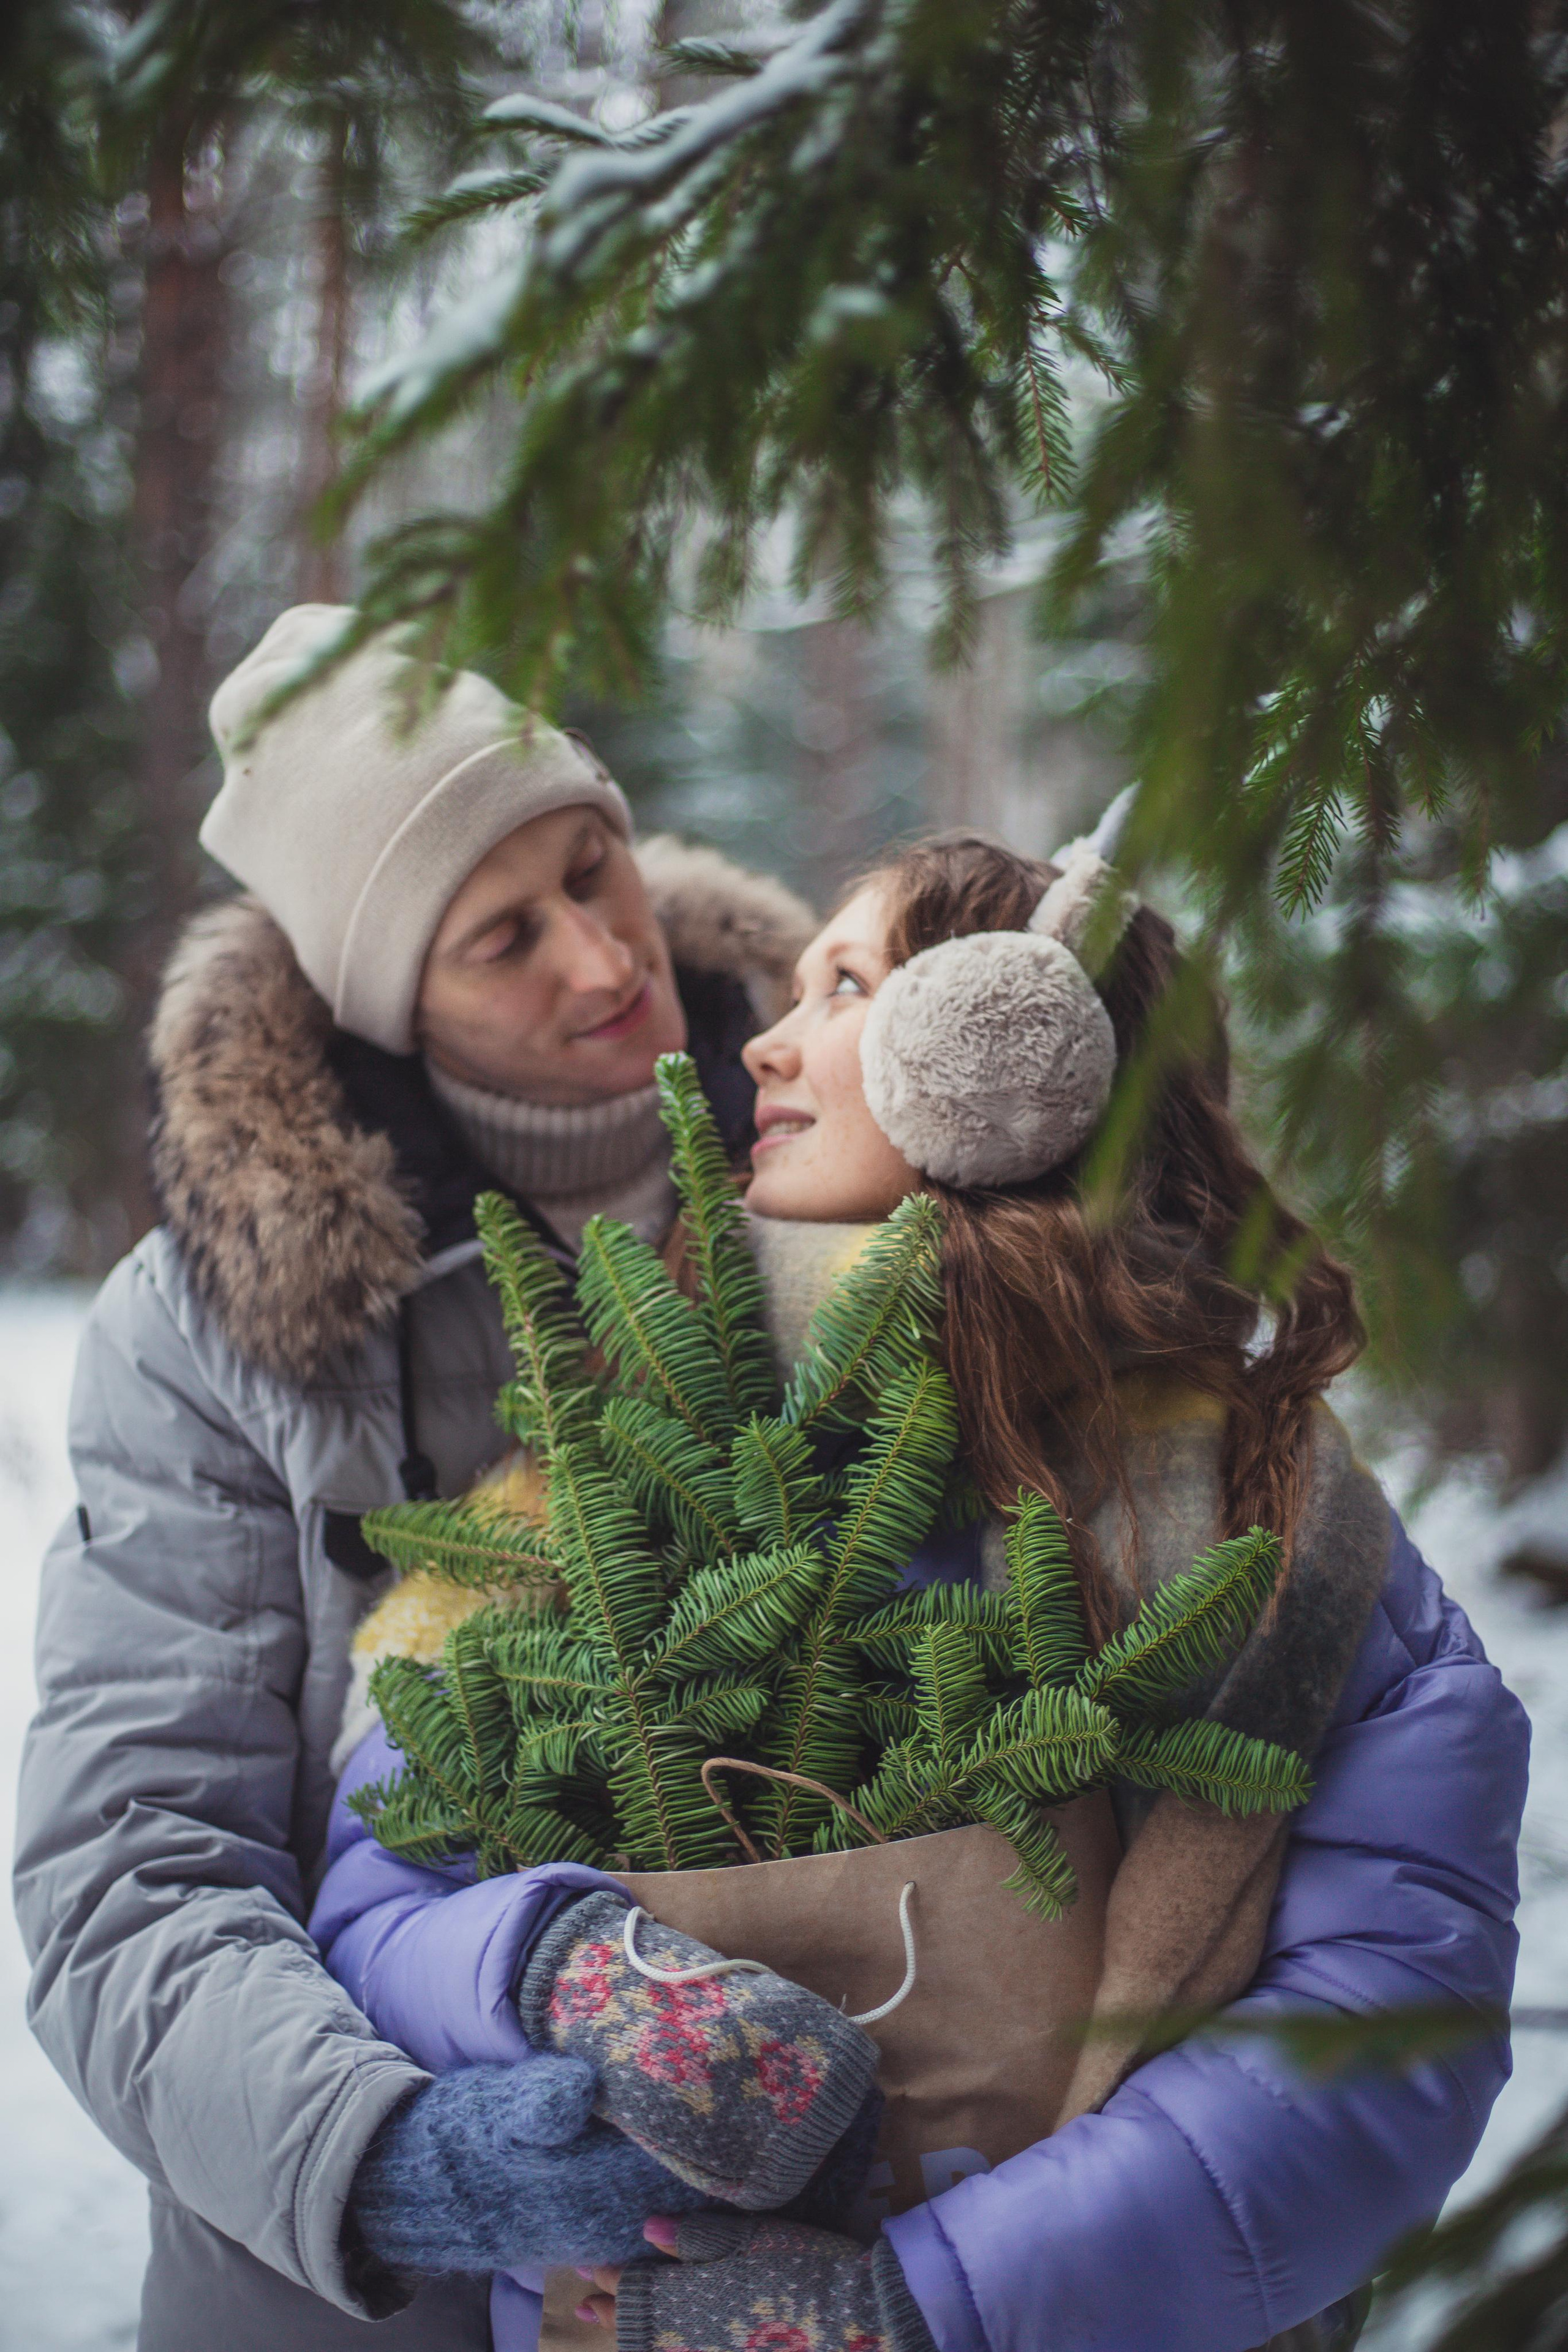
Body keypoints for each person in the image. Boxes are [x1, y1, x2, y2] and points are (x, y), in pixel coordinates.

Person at [311, 831, 1528, 2352]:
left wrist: (918, 2308)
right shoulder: (598, 1461)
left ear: (1016, 1049)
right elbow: (379, 1882)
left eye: (843, 986)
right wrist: (547, 1967)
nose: (761, 1043)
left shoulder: (1273, 1525)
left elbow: (1380, 2031)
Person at [12, 603, 814, 2351]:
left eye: (593, 870)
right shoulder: (219, 1327)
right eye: (503, 937)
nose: (601, 962)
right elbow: (135, 1854)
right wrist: (382, 2159)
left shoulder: (854, 1160)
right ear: (387, 1000)